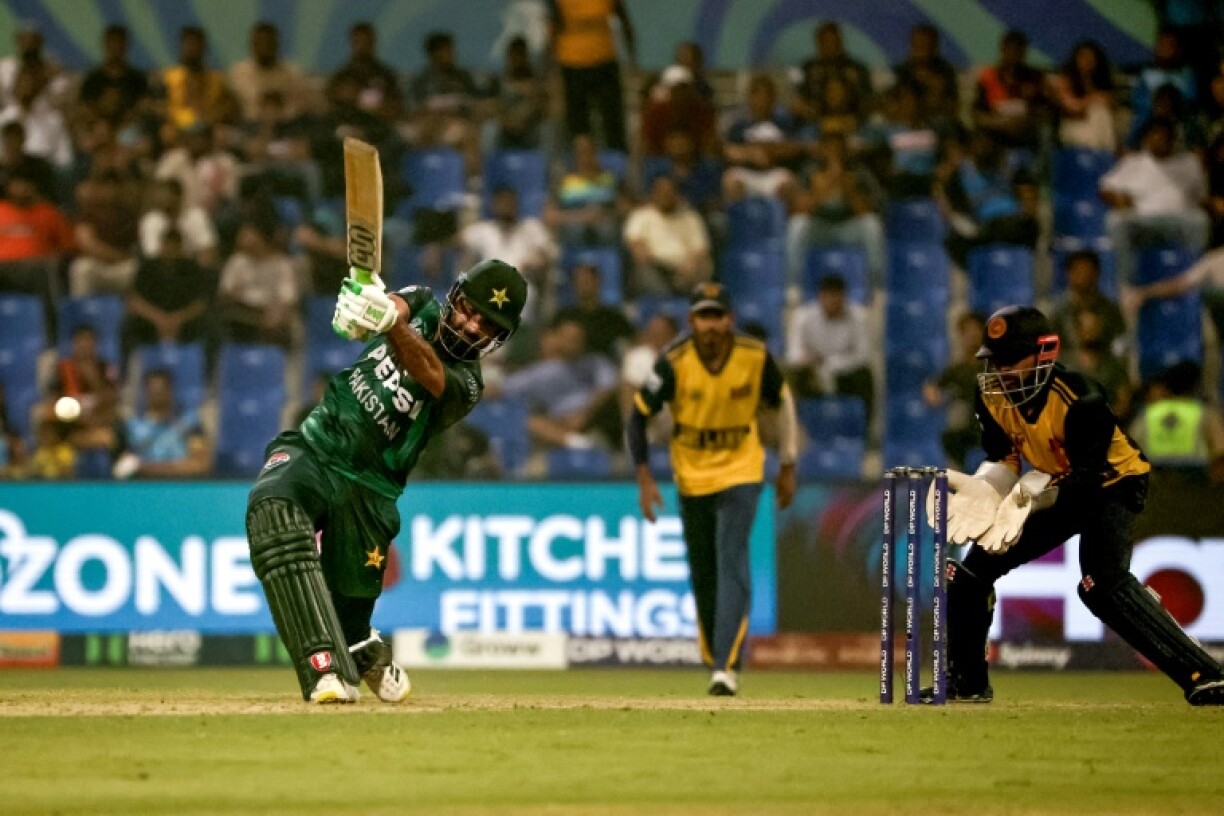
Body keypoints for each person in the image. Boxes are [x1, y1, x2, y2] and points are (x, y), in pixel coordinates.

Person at [246, 258, 528, 703]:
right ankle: (324, 669)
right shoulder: (424, 302)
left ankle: (364, 649)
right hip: (317, 446)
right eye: (469, 311)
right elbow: (394, 306)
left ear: (498, 338)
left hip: (370, 490)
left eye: (486, 325)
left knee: (349, 614)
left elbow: (428, 371)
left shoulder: (469, 384)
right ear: (455, 297)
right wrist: (364, 308)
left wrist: (388, 324)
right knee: (272, 513)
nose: (471, 326)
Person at [928, 305, 1224, 706]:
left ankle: (1206, 675)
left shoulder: (1081, 399)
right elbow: (1004, 458)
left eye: (1011, 359)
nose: (1002, 371)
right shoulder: (990, 397)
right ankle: (967, 683)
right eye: (995, 361)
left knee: (1102, 584)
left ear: (1044, 353)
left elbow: (1086, 480)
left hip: (1113, 483)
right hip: (1056, 484)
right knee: (969, 574)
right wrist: (988, 488)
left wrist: (1030, 499)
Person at [627, 282, 798, 696]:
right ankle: (715, 656)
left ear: (729, 320)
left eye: (717, 316)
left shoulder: (754, 356)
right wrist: (645, 478)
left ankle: (726, 665)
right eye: (703, 317)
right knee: (703, 571)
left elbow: (783, 403)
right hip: (692, 476)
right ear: (691, 321)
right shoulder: (674, 362)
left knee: (731, 556)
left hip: (742, 470)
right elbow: (638, 415)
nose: (710, 325)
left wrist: (788, 464)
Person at [1100, 119, 1208, 285]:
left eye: (1164, 136)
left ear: (1173, 139)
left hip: (1178, 223)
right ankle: (1126, 283)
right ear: (1146, 139)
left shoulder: (1189, 163)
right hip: (1142, 223)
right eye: (1155, 135)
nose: (1159, 140)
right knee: (1115, 220)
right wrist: (1118, 199)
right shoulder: (1133, 162)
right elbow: (1105, 188)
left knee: (1200, 220)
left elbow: (1200, 197)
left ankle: (1195, 281)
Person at [548, 0, 636, 152]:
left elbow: (624, 20)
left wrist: (632, 58)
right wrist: (552, 67)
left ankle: (616, 158)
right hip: (572, 62)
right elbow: (555, 25)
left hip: (604, 59)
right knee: (578, 123)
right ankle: (581, 160)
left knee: (612, 118)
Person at [785, 274, 874, 420]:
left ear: (844, 297)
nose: (832, 302)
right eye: (828, 297)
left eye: (836, 297)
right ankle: (795, 425)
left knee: (864, 376)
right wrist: (806, 360)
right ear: (820, 297)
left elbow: (862, 355)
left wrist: (829, 364)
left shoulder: (859, 317)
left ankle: (863, 427)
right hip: (811, 372)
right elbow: (792, 353)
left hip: (844, 372)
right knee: (791, 376)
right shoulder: (803, 317)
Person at [1129, 362, 1224, 483]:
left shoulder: (1147, 414)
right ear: (1195, 386)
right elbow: (1220, 453)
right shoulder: (1206, 414)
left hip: (1155, 483)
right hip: (1196, 483)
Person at [113, 369, 211, 480]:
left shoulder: (190, 423)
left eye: (161, 390)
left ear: (170, 391)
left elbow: (200, 464)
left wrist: (145, 468)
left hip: (180, 486)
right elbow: (121, 465)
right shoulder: (131, 427)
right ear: (144, 392)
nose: (156, 395)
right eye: (152, 390)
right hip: (142, 487)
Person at [624, 174, 713, 295]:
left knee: (705, 266)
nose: (665, 196)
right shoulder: (641, 215)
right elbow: (636, 246)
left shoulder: (691, 217)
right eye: (661, 192)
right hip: (656, 267)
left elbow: (700, 249)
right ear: (653, 194)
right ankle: (665, 300)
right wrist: (657, 261)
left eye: (669, 192)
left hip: (686, 269)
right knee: (643, 270)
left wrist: (689, 265)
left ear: (677, 194)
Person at [923, 312, 987, 470]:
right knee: (951, 436)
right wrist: (935, 397)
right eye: (967, 331)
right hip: (969, 427)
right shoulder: (958, 369)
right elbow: (933, 385)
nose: (971, 336)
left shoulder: (995, 366)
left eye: (976, 330)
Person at [228, 22, 305, 123]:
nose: (264, 48)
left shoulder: (292, 73)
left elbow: (299, 106)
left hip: (287, 124)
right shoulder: (238, 73)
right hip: (250, 125)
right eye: (260, 43)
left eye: (268, 43)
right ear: (252, 45)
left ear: (276, 45)